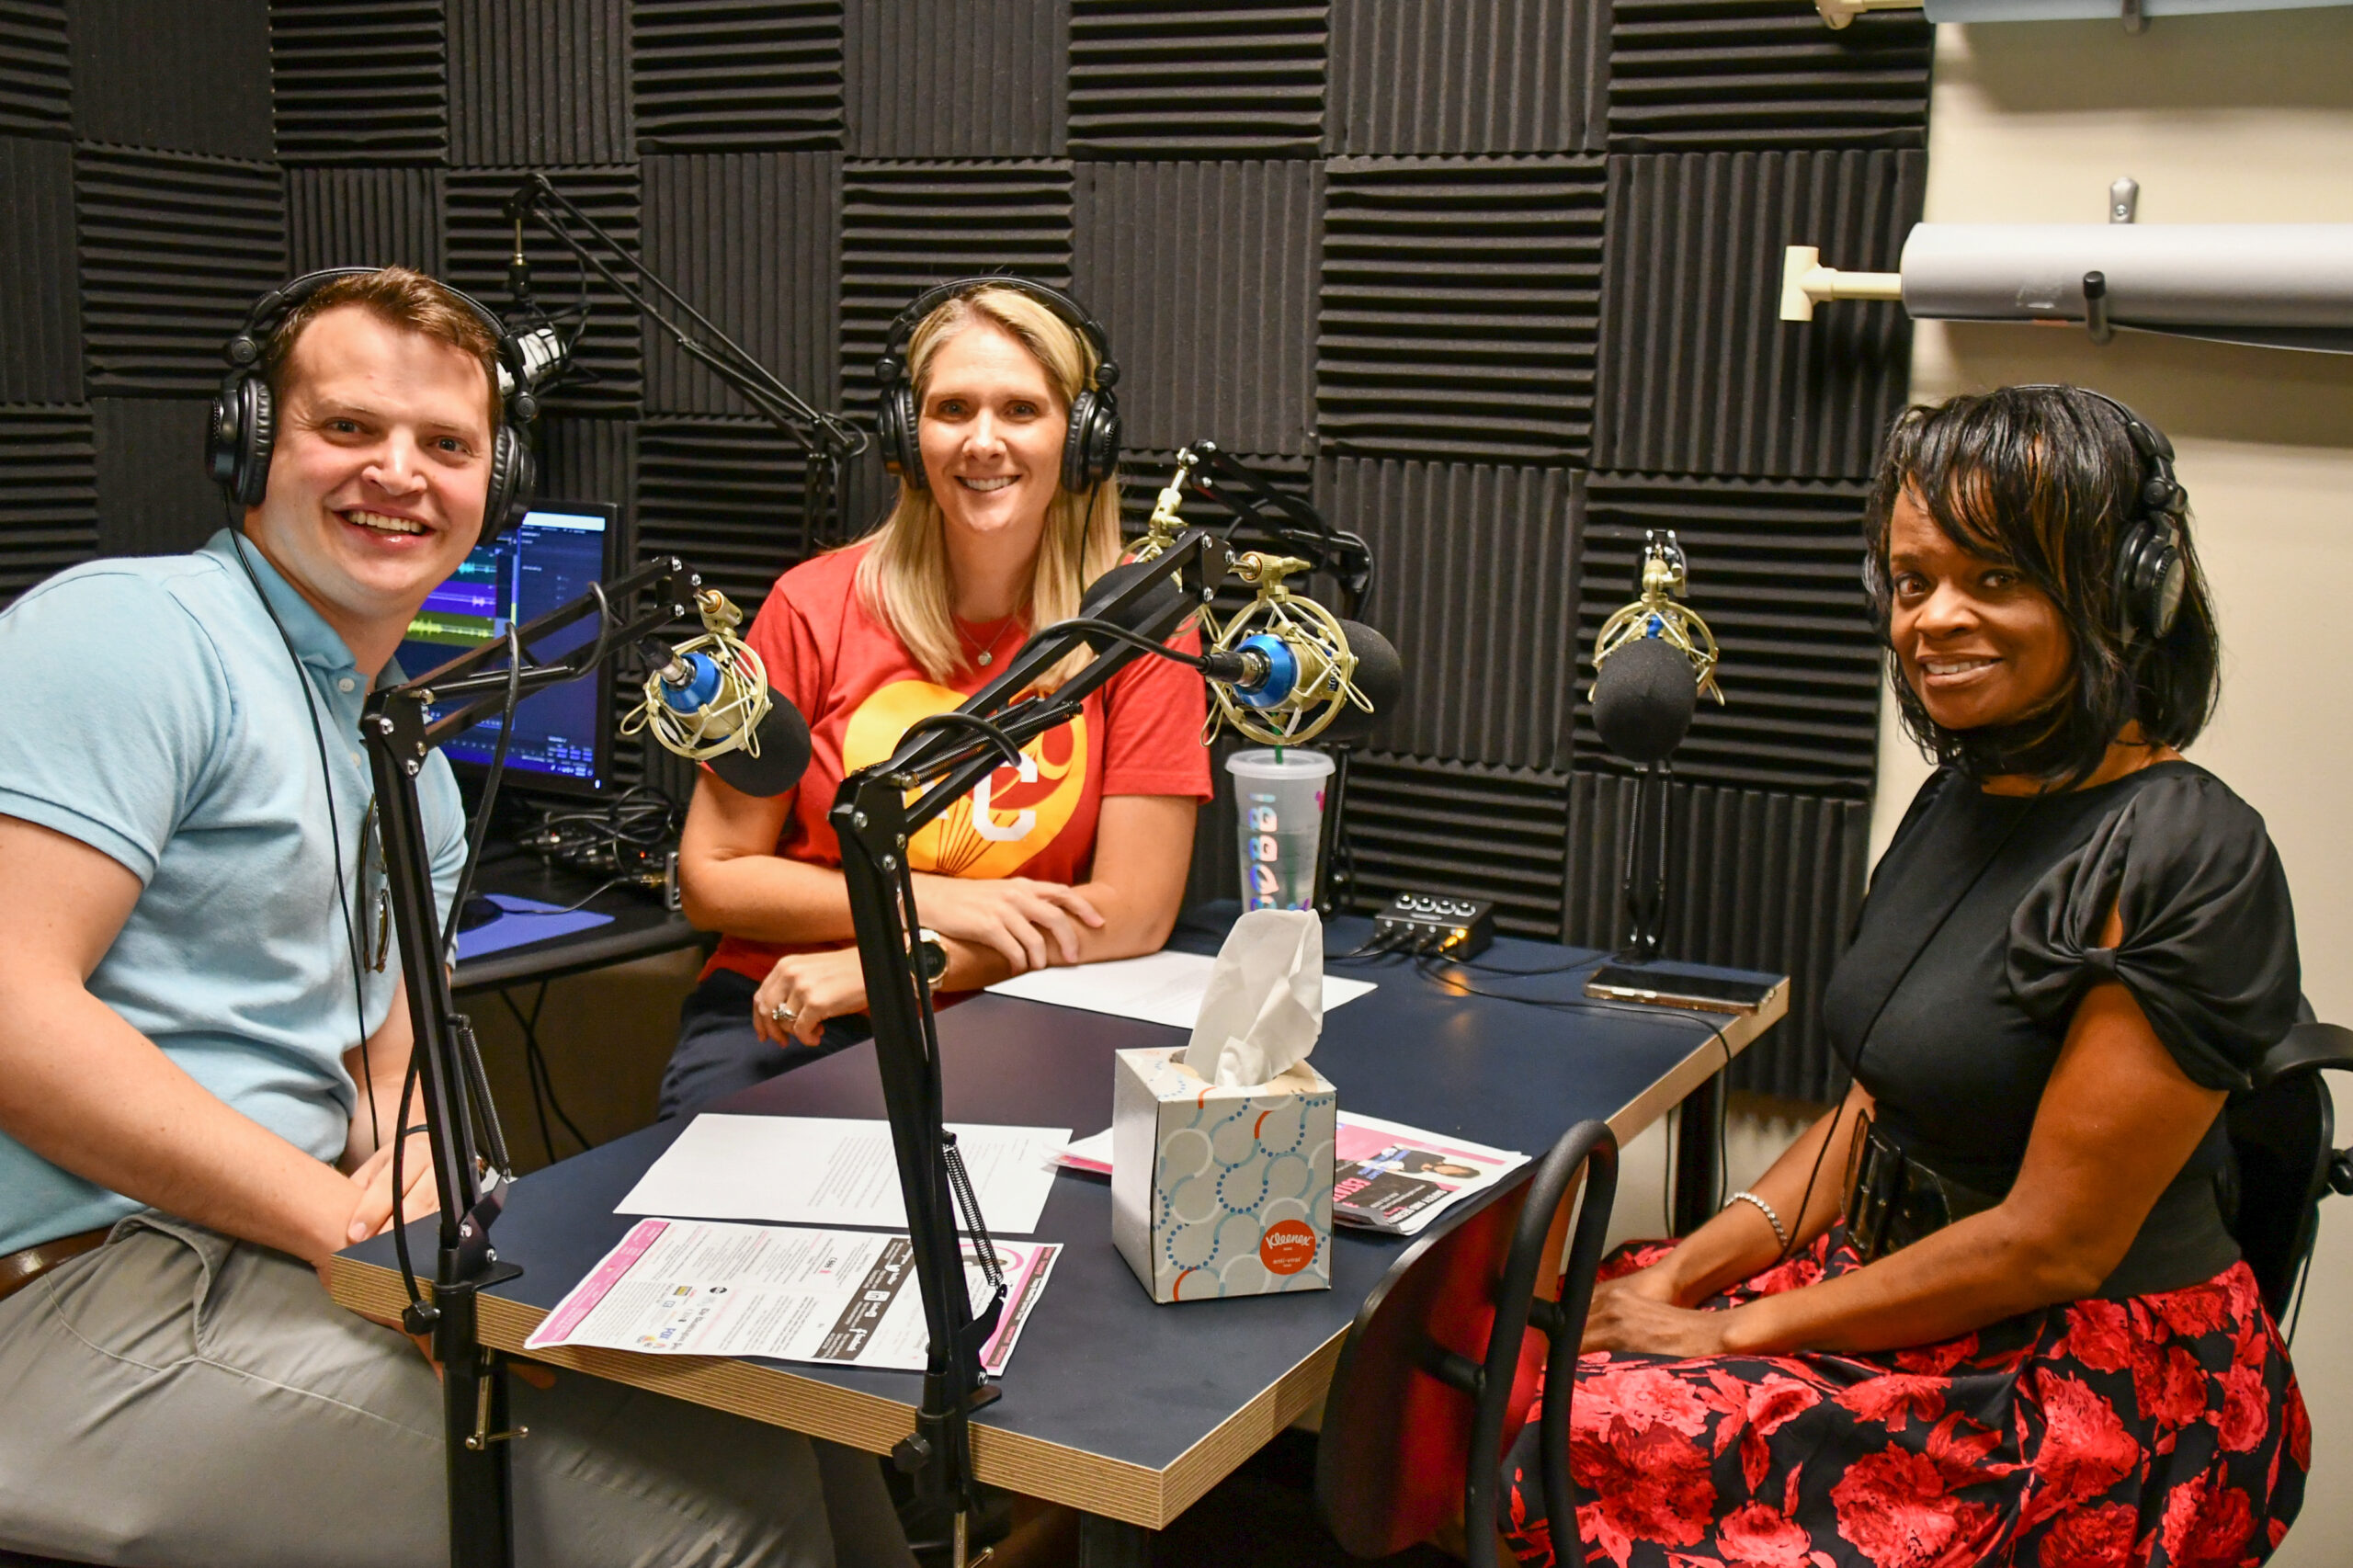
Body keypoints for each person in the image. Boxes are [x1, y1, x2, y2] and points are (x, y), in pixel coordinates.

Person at [0, 267, 909, 1567]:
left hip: (269, 1257)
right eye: (349, 428)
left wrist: (418, 1173)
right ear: (250, 441)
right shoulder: (133, 636)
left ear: (498, 485)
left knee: (800, 1431)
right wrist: (343, 1226)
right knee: (721, 1534)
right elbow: (15, 1012)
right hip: (75, 1296)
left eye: (446, 444)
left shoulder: (409, 763)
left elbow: (387, 1057)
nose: (400, 474)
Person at [1503, 385, 2307, 1567]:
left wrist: (1727, 1332)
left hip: (2075, 1374)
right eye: (1913, 580)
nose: (1933, 620)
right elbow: (1879, 1099)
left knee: (1575, 1432)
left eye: (1993, 579)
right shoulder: (1954, 800)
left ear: (2128, 595)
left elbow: (2050, 1242)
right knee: (1539, 1330)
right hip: (1900, 1287)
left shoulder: (2190, 853)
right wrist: (1693, 1263)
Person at [661, 279, 1210, 1119]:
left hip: (1018, 1008)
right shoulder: (811, 606)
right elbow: (713, 875)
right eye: (953, 409)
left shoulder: (1139, 627)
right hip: (791, 1005)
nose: (983, 442)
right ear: (908, 435)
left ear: (1083, 438)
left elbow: (1131, 913)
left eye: (1021, 411)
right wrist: (935, 900)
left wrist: (905, 958)